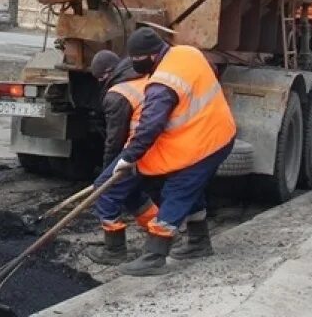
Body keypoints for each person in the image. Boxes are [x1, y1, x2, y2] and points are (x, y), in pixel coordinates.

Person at [94, 27, 236, 276]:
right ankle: (198, 243)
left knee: (178, 190)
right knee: (191, 189)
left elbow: (150, 126)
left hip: (206, 141)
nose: (136, 65)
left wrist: (128, 157)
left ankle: (154, 257)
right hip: (213, 130)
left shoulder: (161, 84)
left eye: (138, 60)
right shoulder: (187, 52)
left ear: (150, 56)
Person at [87, 49, 158, 265]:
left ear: (107, 73)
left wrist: (109, 171)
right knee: (131, 193)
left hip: (140, 150)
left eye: (100, 79)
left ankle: (115, 250)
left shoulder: (118, 94)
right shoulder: (140, 77)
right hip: (156, 147)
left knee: (105, 191)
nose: (100, 83)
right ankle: (162, 234)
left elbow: (114, 140)